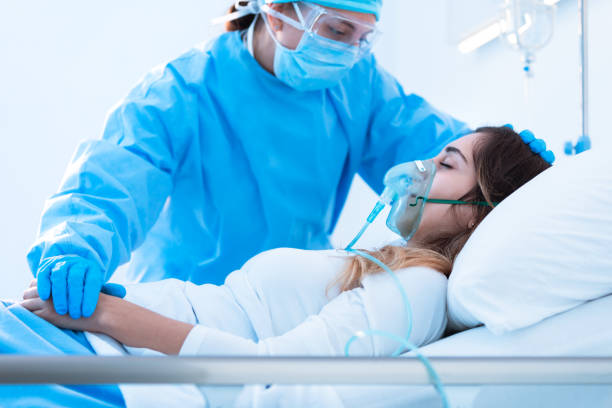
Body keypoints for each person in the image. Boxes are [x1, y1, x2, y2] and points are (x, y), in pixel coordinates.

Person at [26, 0, 471, 321]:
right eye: (336, 31)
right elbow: (116, 174)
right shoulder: (182, 89)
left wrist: (500, 154)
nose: (350, 53)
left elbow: (443, 153)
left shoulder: (360, 86)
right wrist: (77, 245)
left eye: (363, 39)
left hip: (292, 305)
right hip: (187, 305)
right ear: (277, 11)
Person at [20, 126, 553, 360]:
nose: (419, 167)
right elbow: (125, 163)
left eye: (445, 163)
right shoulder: (386, 268)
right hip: (103, 337)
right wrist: (111, 298)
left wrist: (110, 317)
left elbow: (276, 373)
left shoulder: (419, 290)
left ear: (476, 214)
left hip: (107, 345)